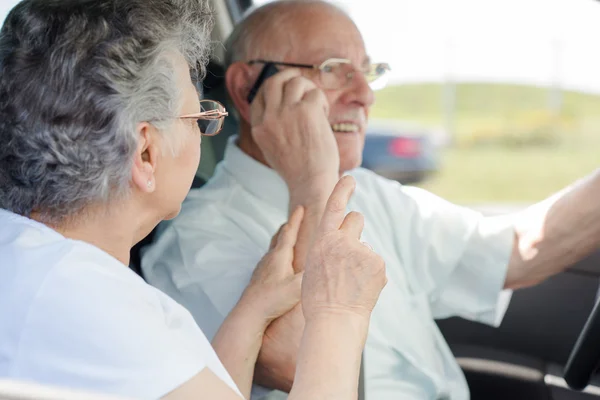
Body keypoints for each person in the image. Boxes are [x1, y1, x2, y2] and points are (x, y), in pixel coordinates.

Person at [141, 0, 600, 399]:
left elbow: (517, 251)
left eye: (368, 72)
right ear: (247, 89)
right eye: (335, 70)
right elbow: (299, 364)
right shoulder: (195, 241)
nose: (364, 96)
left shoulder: (372, 193)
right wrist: (312, 184)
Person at [0, 0, 387, 399]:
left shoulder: (31, 261)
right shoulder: (98, 306)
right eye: (200, 118)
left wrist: (250, 314)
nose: (206, 133)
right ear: (146, 153)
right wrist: (340, 312)